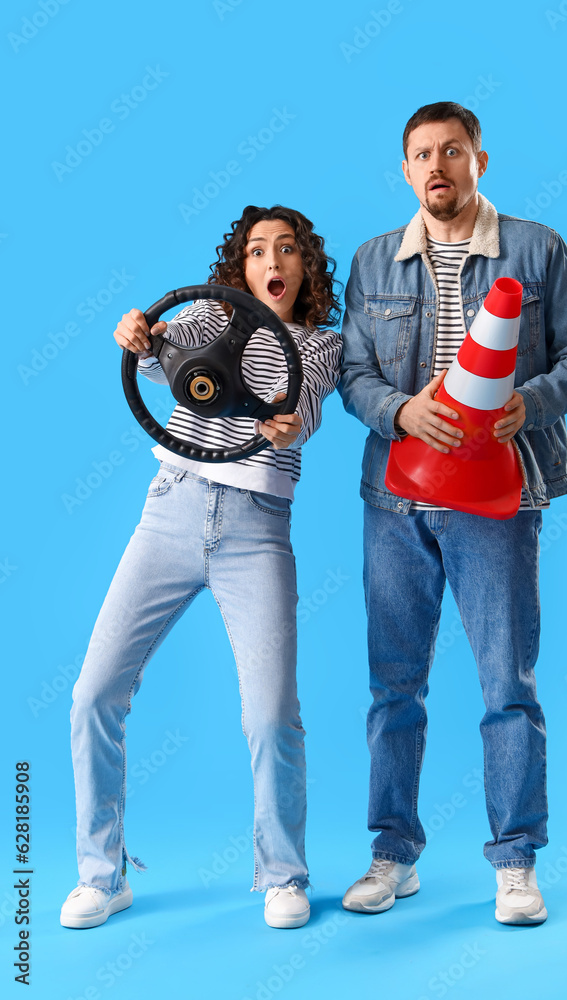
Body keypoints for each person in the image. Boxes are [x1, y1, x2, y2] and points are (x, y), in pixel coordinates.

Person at [337, 102, 567, 924]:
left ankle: (515, 863)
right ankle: (392, 855)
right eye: (420, 155)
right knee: (394, 686)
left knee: (506, 684)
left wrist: (526, 404)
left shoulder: (536, 248)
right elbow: (351, 372)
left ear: (478, 160)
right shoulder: (372, 259)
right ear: (404, 169)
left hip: (498, 497)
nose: (436, 168)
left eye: (450, 152)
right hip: (398, 500)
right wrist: (398, 412)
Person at [60, 205, 342, 931]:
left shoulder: (319, 345)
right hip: (170, 511)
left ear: (304, 268)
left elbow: (302, 407)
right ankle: (102, 874)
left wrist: (284, 424)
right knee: (94, 692)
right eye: (256, 251)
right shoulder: (206, 320)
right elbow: (157, 352)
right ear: (240, 269)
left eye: (287, 250)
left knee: (272, 711)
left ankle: (282, 875)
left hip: (256, 531)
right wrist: (137, 335)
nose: (271, 261)